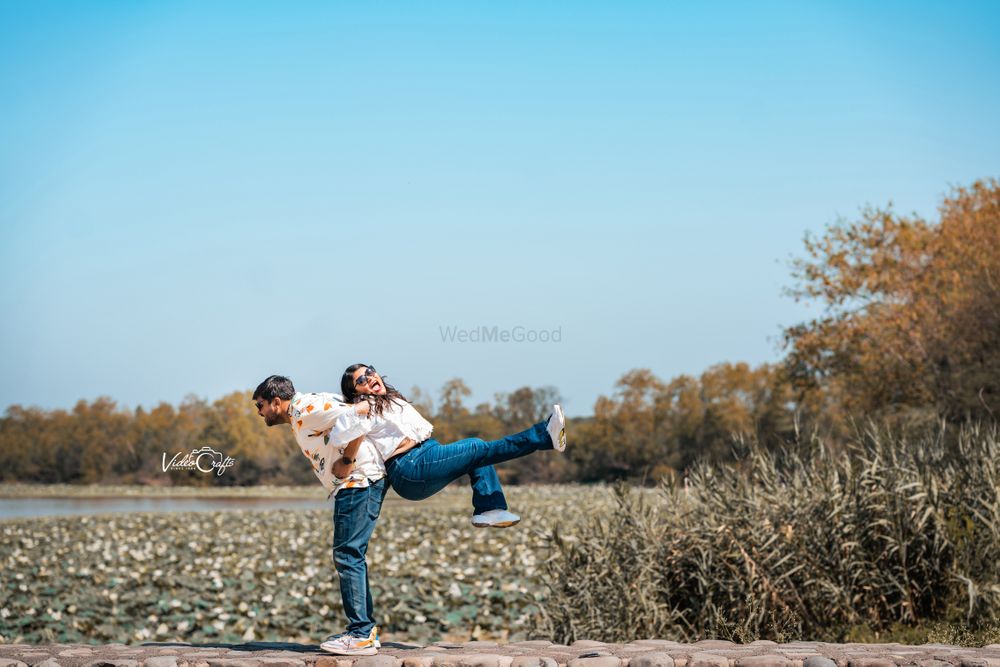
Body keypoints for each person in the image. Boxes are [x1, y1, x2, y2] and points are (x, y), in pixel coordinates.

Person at [253, 370, 567, 656]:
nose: (259, 412)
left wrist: (345, 461)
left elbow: (356, 416)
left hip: (360, 480)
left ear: (275, 401)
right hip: (374, 477)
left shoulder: (305, 409)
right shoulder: (312, 405)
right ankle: (490, 506)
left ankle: (361, 634)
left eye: (260, 406)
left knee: (348, 554)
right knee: (352, 553)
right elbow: (356, 415)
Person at [337, 363, 566, 528]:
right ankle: (543, 436)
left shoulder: (391, 399)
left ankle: (490, 509)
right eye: (361, 381)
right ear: (355, 392)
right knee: (476, 448)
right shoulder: (365, 405)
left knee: (476, 453)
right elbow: (345, 422)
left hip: (425, 457)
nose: (369, 378)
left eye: (369, 372)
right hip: (409, 467)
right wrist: (353, 411)